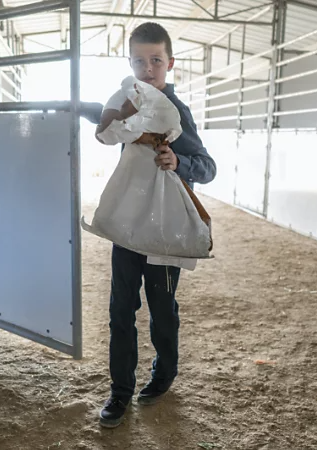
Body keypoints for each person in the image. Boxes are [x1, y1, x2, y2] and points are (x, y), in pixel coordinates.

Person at [81, 22, 216, 428]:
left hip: (164, 234)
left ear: (169, 63)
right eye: (139, 61)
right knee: (120, 310)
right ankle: (120, 392)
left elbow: (208, 167)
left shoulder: (178, 113)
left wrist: (180, 162)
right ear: (130, 65)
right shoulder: (127, 103)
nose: (148, 68)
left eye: (156, 60)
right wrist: (73, 106)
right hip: (127, 228)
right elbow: (103, 119)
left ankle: (162, 376)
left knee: (163, 310)